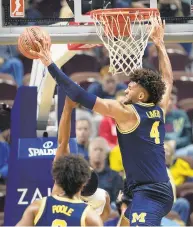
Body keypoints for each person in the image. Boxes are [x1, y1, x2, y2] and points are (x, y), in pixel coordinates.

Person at [31, 18, 174, 226]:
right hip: (145, 189)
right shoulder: (159, 108)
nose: (125, 89)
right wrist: (160, 44)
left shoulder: (126, 112)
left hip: (150, 192)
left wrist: (49, 63)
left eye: (131, 87)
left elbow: (79, 94)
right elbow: (168, 80)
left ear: (141, 96)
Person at [16, 98, 105, 226]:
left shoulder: (37, 207)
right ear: (83, 183)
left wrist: (68, 107)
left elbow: (63, 142)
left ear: (58, 177)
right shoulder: (90, 218)